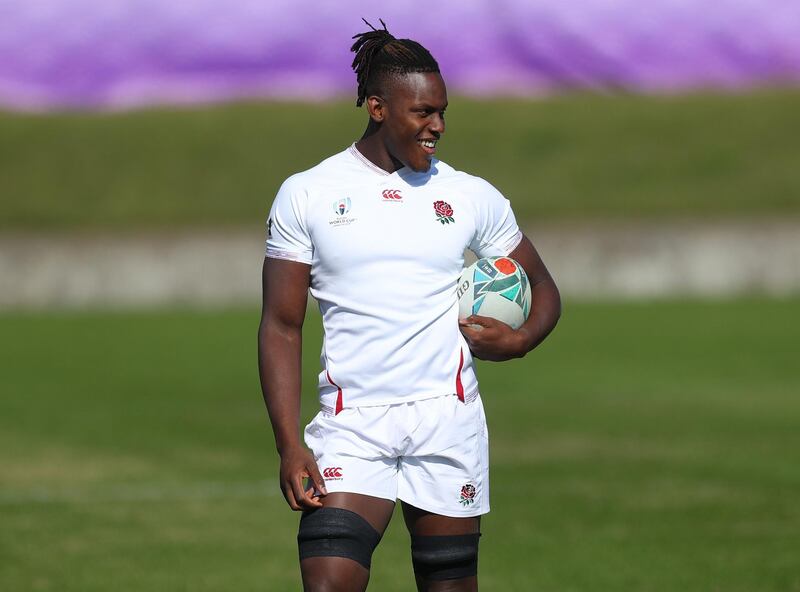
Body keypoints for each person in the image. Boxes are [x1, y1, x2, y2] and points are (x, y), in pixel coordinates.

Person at [258, 19, 561, 592]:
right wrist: (289, 443)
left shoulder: (470, 195)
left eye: (442, 111)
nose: (437, 126)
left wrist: (520, 342)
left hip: (446, 422)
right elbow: (281, 324)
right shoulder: (309, 193)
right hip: (354, 424)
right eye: (423, 112)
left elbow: (544, 286)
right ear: (377, 107)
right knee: (327, 583)